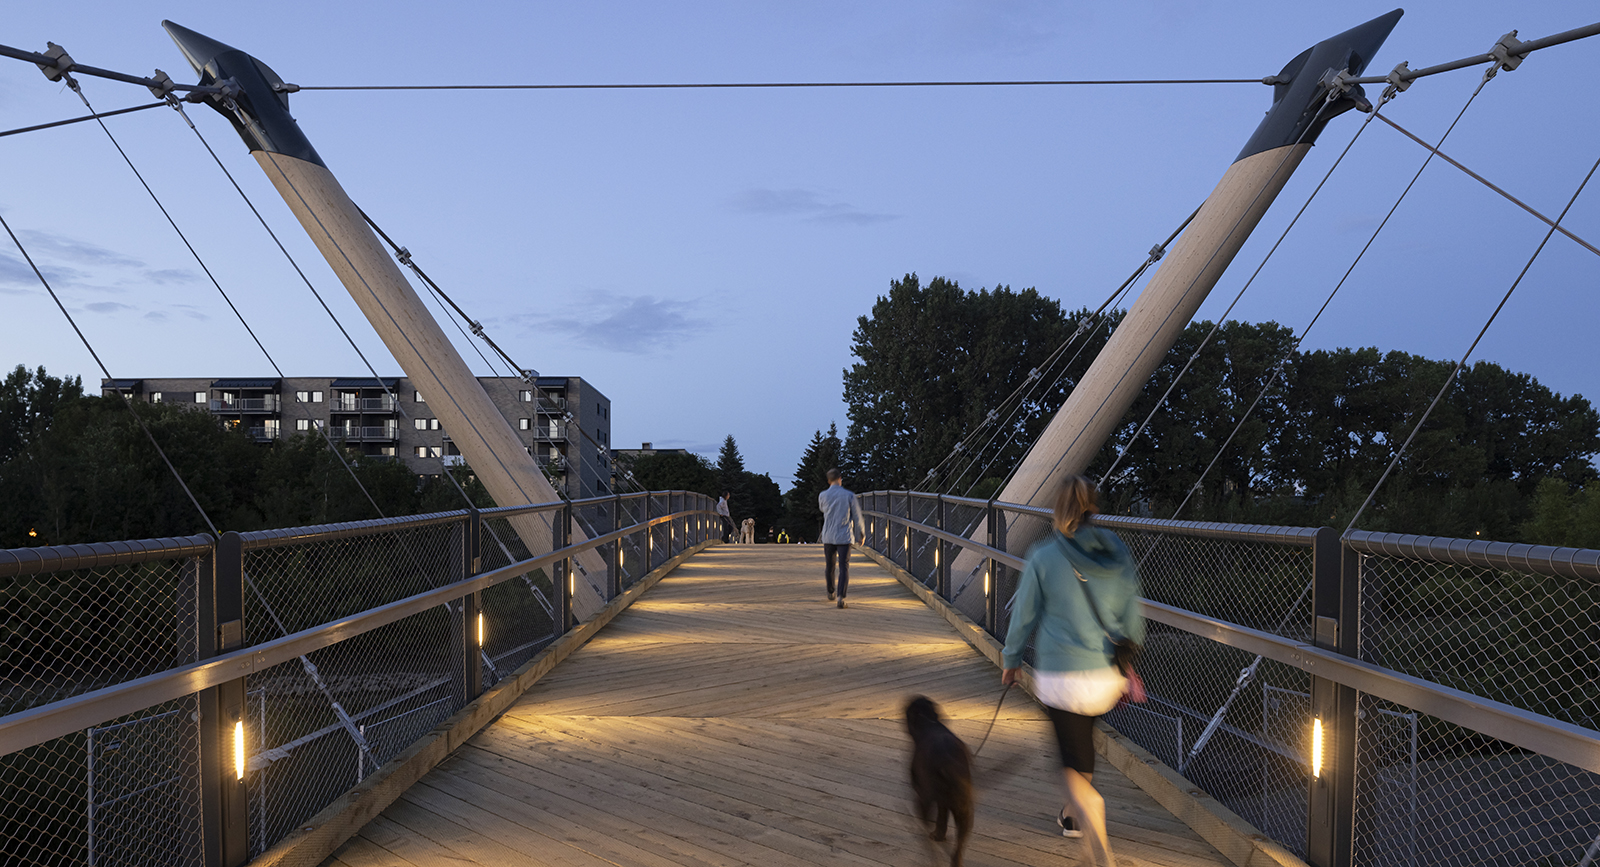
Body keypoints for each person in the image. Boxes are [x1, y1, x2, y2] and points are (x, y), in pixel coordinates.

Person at [1000, 475, 1143, 866]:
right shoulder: (1115, 551)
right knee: (1082, 745)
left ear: (1058, 509)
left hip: (1061, 677)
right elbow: (1133, 616)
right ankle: (1071, 817)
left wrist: (1011, 660)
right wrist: (1127, 665)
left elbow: (1024, 615)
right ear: (1092, 506)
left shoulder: (1044, 556)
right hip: (1105, 677)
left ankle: (1094, 830)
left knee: (1070, 763)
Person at [816, 468, 865, 608]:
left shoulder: (822, 495)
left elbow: (822, 509)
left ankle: (830, 591)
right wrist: (861, 533)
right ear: (840, 479)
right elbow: (857, 515)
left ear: (828, 481)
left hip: (828, 535)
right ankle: (841, 597)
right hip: (844, 535)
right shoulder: (849, 495)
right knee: (844, 566)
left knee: (830, 565)